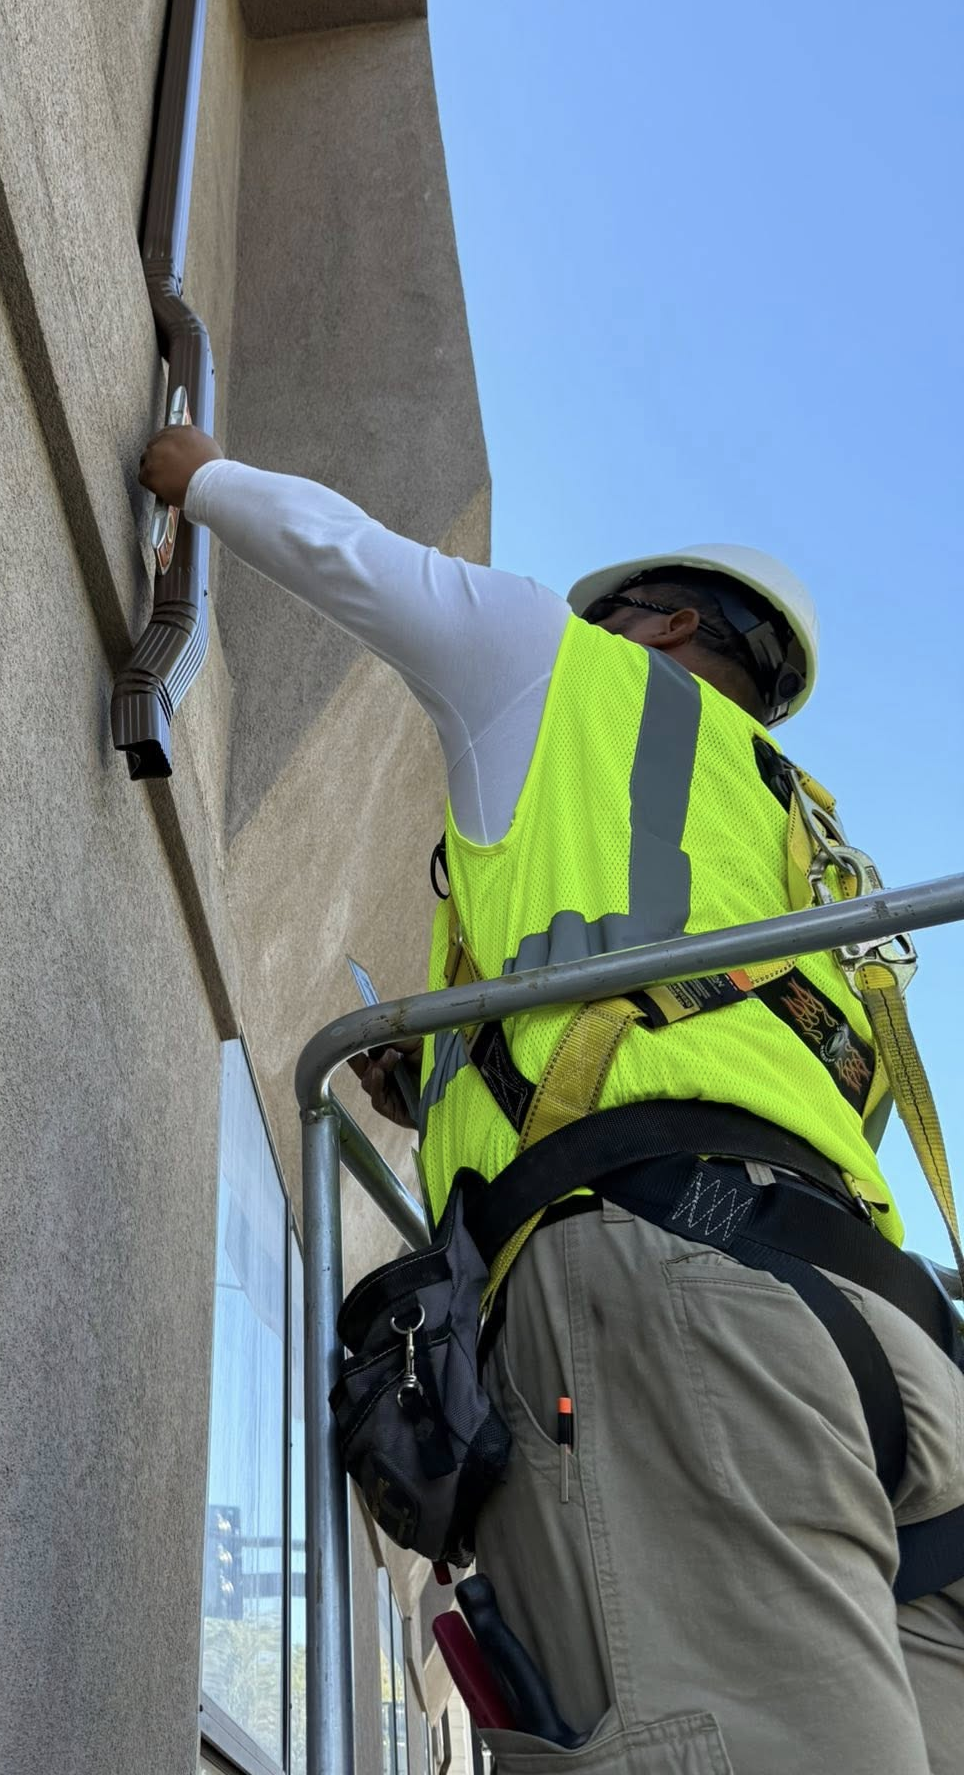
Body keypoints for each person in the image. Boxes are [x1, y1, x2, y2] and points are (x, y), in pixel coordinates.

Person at [139, 425, 964, 1775]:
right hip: (889, 1331)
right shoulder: (804, 833)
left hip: (680, 1298)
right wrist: (442, 1072)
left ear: (671, 617)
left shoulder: (560, 667)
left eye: (610, 612)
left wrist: (196, 477)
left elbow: (353, 559)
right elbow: (702, 1053)